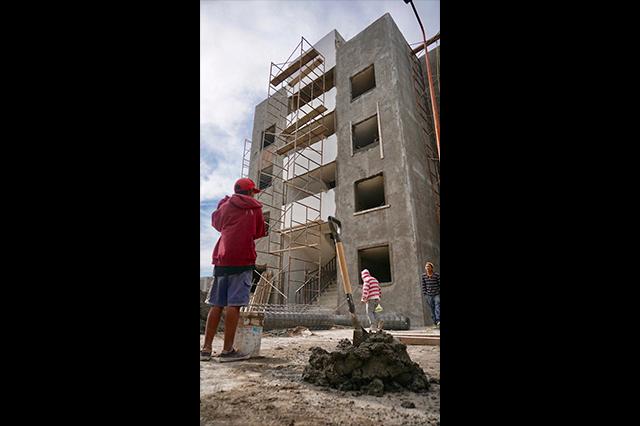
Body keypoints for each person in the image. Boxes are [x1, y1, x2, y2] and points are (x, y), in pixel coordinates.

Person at [200, 178, 266, 362]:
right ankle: (227, 350)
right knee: (234, 305)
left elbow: (216, 223)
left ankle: (206, 349)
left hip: (222, 258)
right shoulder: (256, 208)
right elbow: (259, 232)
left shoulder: (226, 206)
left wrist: (223, 203)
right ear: (251, 192)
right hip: (243, 258)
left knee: (217, 304)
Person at [420, 262, 440, 328]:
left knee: (437, 306)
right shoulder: (424, 276)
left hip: (436, 294)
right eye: (426, 267)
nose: (427, 268)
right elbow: (423, 285)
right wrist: (425, 294)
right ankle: (435, 322)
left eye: (429, 266)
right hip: (429, 295)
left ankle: (438, 320)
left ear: (432, 268)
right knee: (432, 308)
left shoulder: (436, 275)